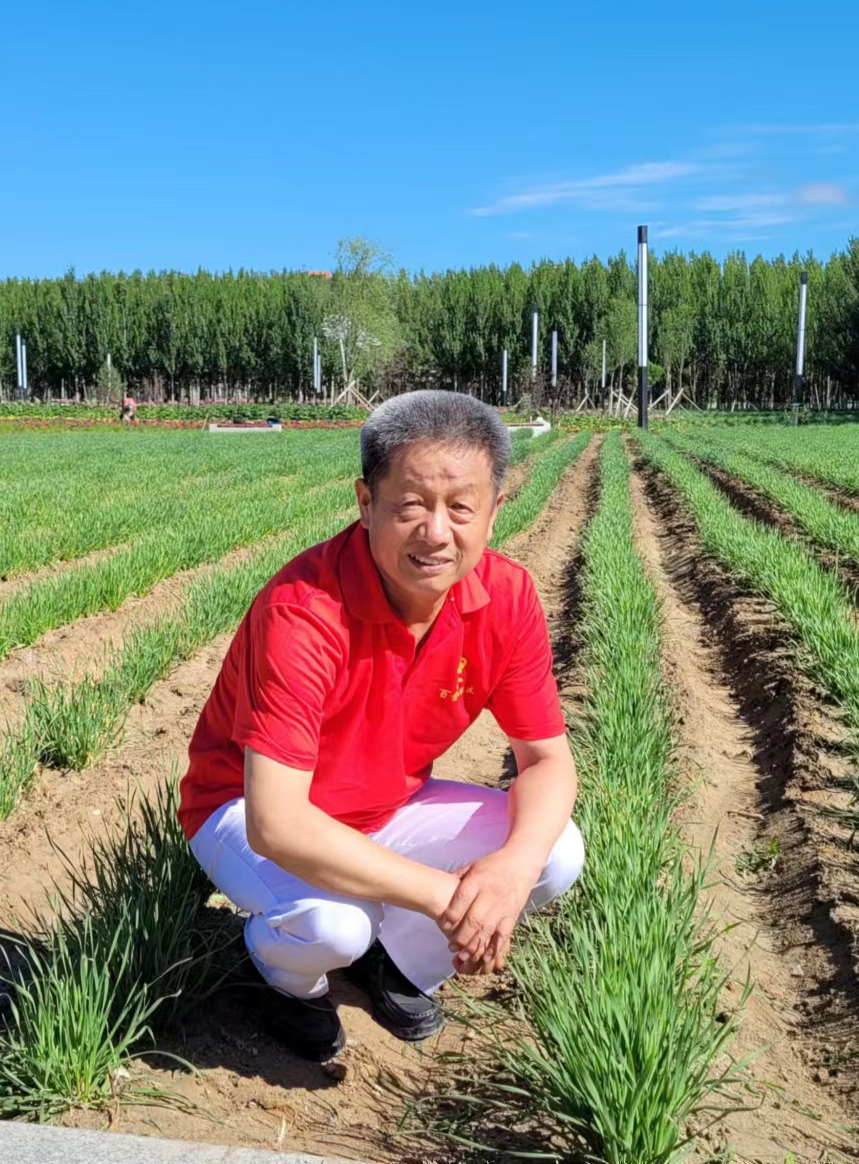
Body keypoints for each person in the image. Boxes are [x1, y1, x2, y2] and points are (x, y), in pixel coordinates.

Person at [179, 390, 582, 1062]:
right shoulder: (303, 609)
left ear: (494, 512)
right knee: (336, 926)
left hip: (385, 803)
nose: (435, 532)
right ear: (365, 504)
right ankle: (278, 979)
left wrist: (509, 872)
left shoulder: (507, 598)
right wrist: (448, 897)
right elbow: (276, 823)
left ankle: (395, 963)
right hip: (241, 808)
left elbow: (545, 761)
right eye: (410, 506)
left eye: (460, 508)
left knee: (553, 852)